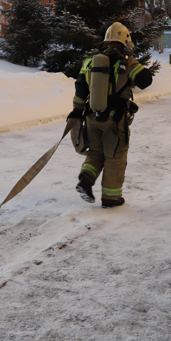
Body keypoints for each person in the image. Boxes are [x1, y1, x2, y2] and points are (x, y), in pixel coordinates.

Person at [67, 22, 153, 208]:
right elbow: (146, 81)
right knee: (115, 157)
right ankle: (111, 198)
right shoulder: (127, 62)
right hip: (115, 121)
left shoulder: (90, 62)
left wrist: (76, 111)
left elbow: (81, 90)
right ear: (125, 41)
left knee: (96, 152)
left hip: (91, 117)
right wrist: (131, 60)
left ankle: (85, 181)